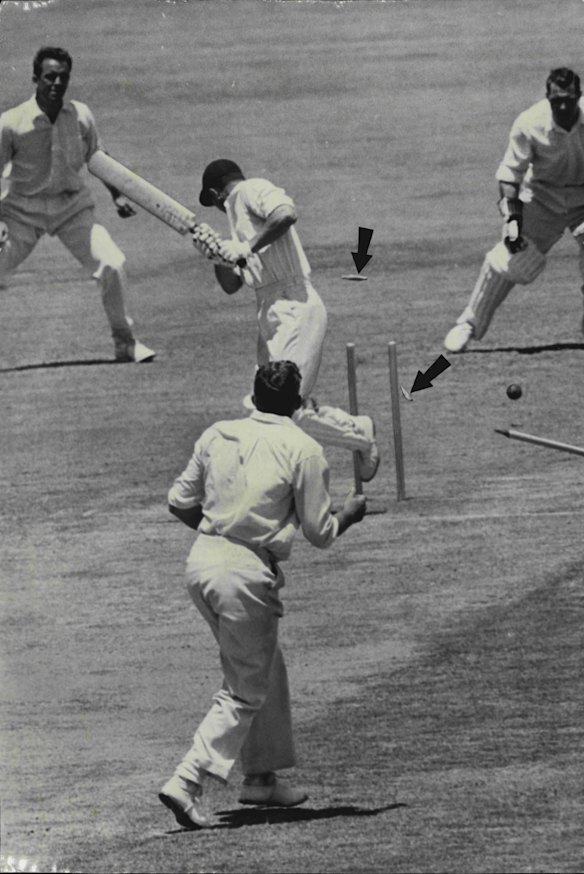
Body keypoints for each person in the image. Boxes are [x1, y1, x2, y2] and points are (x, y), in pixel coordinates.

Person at [159, 360, 367, 829]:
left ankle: (261, 777)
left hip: (202, 563)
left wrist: (221, 535)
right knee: (244, 688)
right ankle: (186, 781)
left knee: (265, 665)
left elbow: (179, 502)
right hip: (243, 575)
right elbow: (320, 532)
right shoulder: (304, 448)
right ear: (298, 403)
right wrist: (350, 514)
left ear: (253, 398)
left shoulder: (218, 433)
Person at [196, 158, 379, 482]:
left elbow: (286, 214)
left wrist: (246, 248)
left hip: (295, 304)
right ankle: (352, 427)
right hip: (269, 310)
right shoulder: (237, 222)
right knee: (263, 406)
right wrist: (217, 256)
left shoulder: (250, 190)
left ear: (215, 194)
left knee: (278, 408)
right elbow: (231, 285)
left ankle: (360, 439)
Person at [0, 46, 155, 363]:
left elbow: (98, 156)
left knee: (112, 263)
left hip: (72, 208)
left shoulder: (81, 115)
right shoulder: (11, 123)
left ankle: (125, 343)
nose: (56, 83)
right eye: (49, 77)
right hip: (21, 212)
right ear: (35, 78)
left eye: (63, 77)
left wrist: (117, 195)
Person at [444, 67, 584, 353]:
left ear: (579, 96)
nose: (563, 107)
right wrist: (512, 223)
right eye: (557, 100)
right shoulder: (530, 123)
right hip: (543, 198)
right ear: (547, 97)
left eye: (569, 100)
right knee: (512, 261)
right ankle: (468, 324)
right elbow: (509, 177)